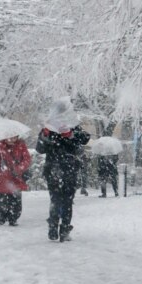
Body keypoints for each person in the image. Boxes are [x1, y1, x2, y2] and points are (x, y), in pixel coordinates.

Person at [35, 97, 91, 242]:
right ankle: (58, 228)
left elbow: (85, 138)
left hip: (65, 168)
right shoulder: (48, 128)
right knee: (62, 199)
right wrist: (45, 136)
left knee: (61, 199)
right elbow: (40, 149)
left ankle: (60, 227)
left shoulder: (72, 126)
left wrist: (70, 135)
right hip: (59, 168)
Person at [0, 134, 32, 226]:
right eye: (10, 137)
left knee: (16, 199)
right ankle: (3, 216)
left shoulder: (21, 145)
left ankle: (14, 218)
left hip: (16, 177)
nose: (12, 139)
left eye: (14, 137)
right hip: (3, 177)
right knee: (3, 198)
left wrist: (19, 168)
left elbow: (27, 159)